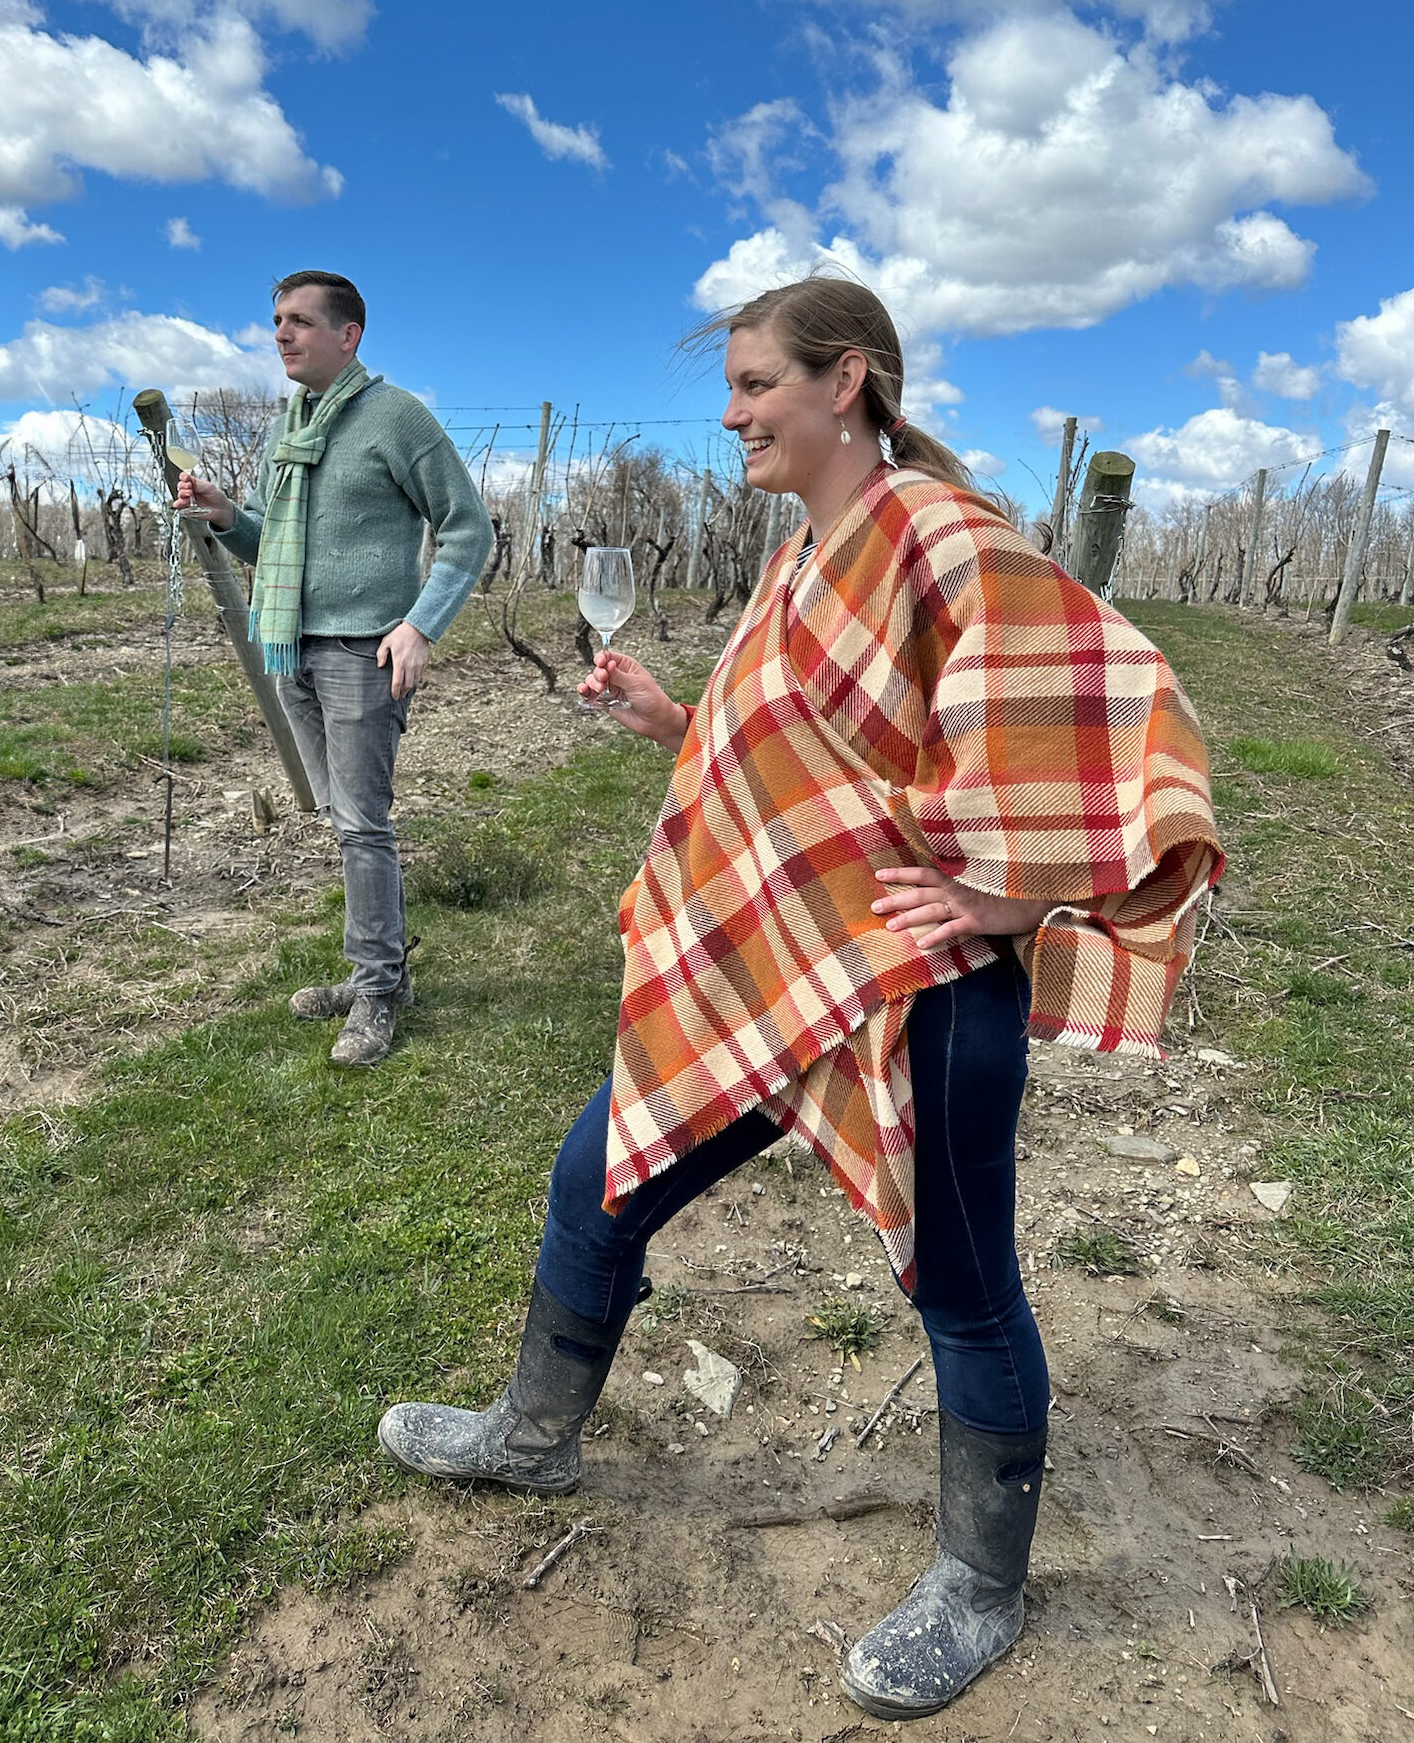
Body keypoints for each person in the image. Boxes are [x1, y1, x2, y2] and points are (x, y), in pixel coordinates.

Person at [378, 277, 1222, 1719]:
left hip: (919, 987)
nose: (731, 411)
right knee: (605, 1170)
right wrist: (677, 722)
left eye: (758, 381)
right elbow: (819, 761)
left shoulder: (941, 538)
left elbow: (1127, 709)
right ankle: (535, 1430)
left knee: (960, 1284)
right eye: (733, 384)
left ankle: (981, 1579)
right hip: (774, 971)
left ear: (850, 383)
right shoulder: (803, 558)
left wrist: (1012, 896)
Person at [179, 271, 493, 1066]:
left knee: (362, 822)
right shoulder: (291, 425)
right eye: (276, 320)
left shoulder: (396, 417)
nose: (281, 333)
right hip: (290, 643)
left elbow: (469, 530)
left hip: (363, 650)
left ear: (348, 335)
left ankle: (379, 991)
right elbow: (264, 544)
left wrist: (422, 624)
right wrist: (226, 516)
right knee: (341, 816)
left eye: (300, 322)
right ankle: (376, 971)